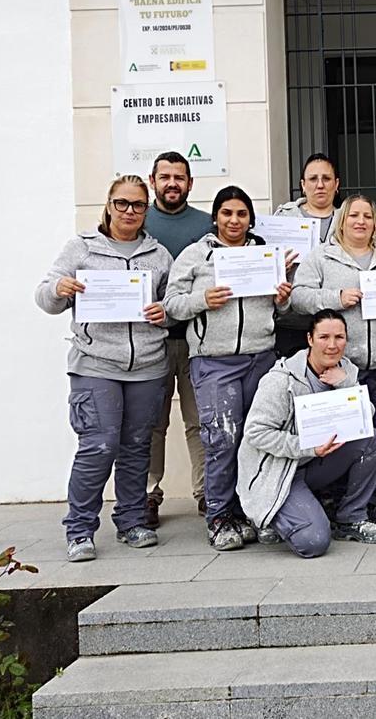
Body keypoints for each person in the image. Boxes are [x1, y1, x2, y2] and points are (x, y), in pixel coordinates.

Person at [34, 176, 172, 562]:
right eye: (123, 203)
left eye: (138, 205)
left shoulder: (158, 255)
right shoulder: (81, 248)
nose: (130, 212)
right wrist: (59, 289)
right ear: (109, 205)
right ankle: (79, 530)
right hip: (95, 364)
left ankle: (131, 522)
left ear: (147, 210)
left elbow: (172, 305)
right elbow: (44, 296)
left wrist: (164, 313)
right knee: (98, 445)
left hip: (146, 364)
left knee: (136, 448)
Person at [162, 186, 292, 552]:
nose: (234, 221)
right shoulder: (195, 255)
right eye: (227, 213)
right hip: (214, 360)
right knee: (221, 439)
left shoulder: (265, 254)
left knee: (256, 438)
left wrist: (282, 299)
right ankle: (219, 515)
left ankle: (253, 512)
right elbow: (171, 305)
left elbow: (277, 310)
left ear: (250, 218)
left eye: (241, 214)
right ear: (216, 217)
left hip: (260, 357)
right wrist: (202, 300)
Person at [292, 194, 376, 508]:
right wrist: (336, 297)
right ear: (343, 220)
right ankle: (341, 494)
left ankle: (372, 495)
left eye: (367, 216)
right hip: (341, 364)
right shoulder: (322, 257)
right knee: (344, 432)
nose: (361, 221)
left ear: (374, 222)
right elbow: (298, 298)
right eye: (354, 215)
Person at [237, 309, 376, 555]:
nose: (332, 345)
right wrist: (307, 447)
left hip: (317, 462)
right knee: (314, 542)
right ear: (309, 339)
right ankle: (269, 518)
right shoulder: (281, 379)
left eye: (339, 337)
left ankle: (351, 519)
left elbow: (365, 416)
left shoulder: (346, 370)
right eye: (324, 337)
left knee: (373, 439)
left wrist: (346, 384)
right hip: (281, 471)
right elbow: (256, 432)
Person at [143, 151, 210, 528]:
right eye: (165, 177)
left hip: (196, 340)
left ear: (190, 183)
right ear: (152, 181)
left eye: (179, 177)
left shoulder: (204, 225)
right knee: (152, 424)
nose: (172, 183)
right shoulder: (138, 218)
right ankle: (149, 493)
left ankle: (205, 493)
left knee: (198, 421)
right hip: (150, 340)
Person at [273, 153, 342, 358]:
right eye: (313, 179)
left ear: (336, 184)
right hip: (291, 322)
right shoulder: (283, 219)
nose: (320, 185)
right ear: (303, 185)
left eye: (326, 179)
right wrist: (276, 268)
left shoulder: (348, 220)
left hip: (335, 325)